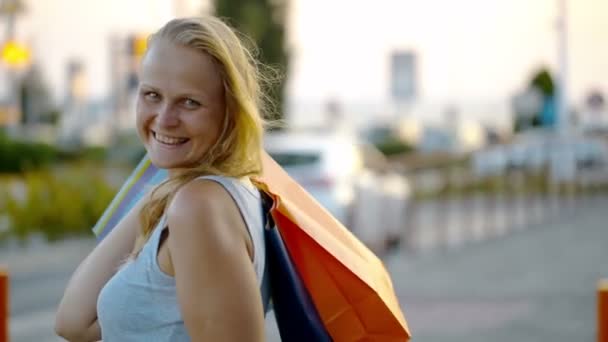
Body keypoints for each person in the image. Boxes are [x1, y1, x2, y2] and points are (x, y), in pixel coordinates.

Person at [55, 16, 273, 341]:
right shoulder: (206, 194)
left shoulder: (199, 207)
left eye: (189, 102)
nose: (164, 119)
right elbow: (74, 322)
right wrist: (163, 189)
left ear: (230, 113)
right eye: (152, 95)